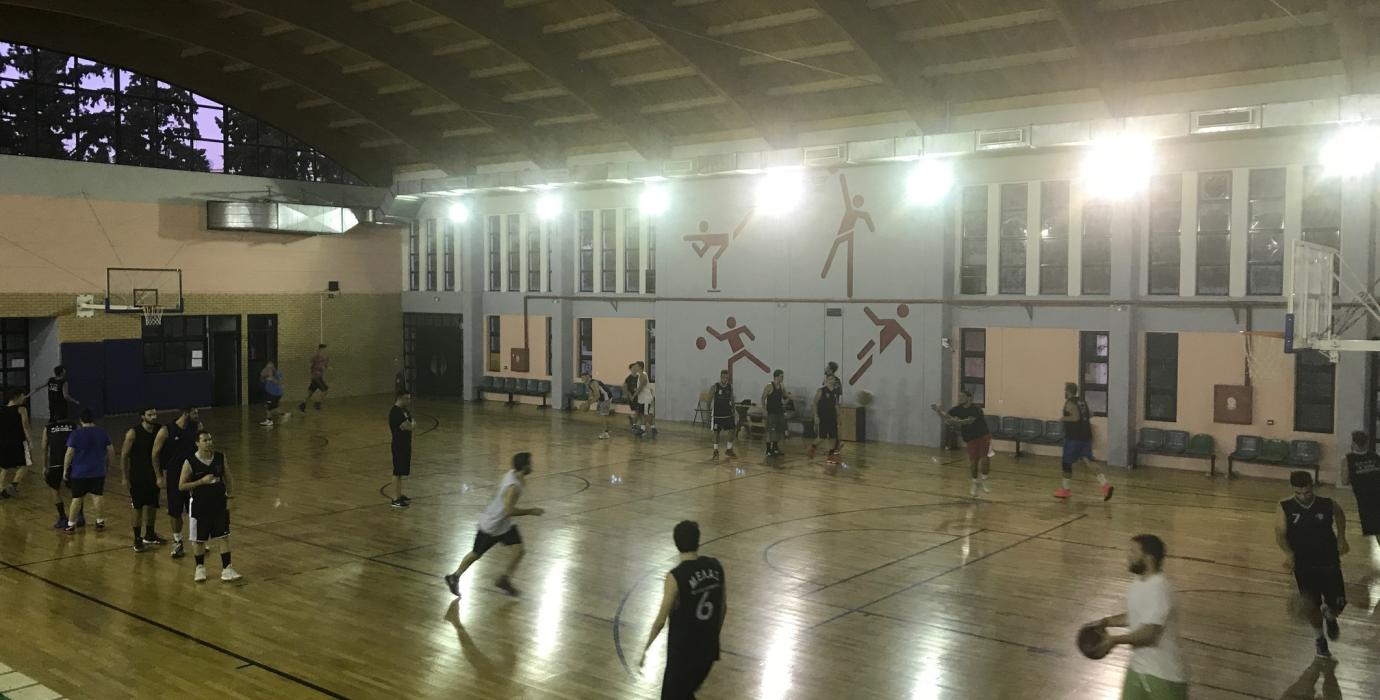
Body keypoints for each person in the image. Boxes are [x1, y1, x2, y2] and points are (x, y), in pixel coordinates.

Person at [1082, 534, 1187, 700]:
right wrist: (1105, 622)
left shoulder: (1159, 589)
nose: (1128, 556)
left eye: (1133, 551)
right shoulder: (1138, 583)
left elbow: (1149, 634)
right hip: (1138, 668)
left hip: (1163, 675)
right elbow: (1135, 616)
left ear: (1149, 558)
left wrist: (1114, 640)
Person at [639, 520, 727, 700]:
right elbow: (723, 608)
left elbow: (660, 621)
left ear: (676, 543)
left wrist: (646, 649)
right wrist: (712, 636)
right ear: (698, 541)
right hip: (708, 652)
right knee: (685, 694)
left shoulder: (676, 577)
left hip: (683, 655)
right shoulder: (716, 566)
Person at [443, 452, 545, 598]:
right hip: (492, 525)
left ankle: (504, 580)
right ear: (524, 466)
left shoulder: (512, 474)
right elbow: (509, 510)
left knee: (519, 551)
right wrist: (531, 511)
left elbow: (498, 494)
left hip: (503, 524)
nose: (532, 465)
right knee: (476, 554)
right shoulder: (513, 486)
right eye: (530, 463)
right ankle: (454, 577)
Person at [1276, 471, 1350, 659]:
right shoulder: (1285, 507)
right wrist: (1289, 554)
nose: (1303, 497)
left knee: (1338, 604)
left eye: (1307, 492)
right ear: (1293, 490)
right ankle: (1319, 639)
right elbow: (1280, 534)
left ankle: (1330, 615)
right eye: (1298, 493)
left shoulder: (1326, 504)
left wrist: (1342, 538)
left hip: (1329, 560)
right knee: (1310, 605)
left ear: (1312, 487)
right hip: (1304, 564)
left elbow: (1340, 515)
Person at [179, 430, 241, 583]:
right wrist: (201, 482)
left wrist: (231, 495)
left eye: (210, 440)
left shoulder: (219, 457)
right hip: (200, 504)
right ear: (197, 443)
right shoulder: (190, 462)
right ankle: (200, 568)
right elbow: (182, 486)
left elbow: (228, 476)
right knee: (199, 539)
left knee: (223, 535)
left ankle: (227, 568)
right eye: (205, 440)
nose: (208, 443)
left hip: (219, 502)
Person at [153, 406, 201, 558]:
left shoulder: (197, 428)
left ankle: (199, 539)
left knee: (197, 509)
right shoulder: (167, 430)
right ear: (185, 413)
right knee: (175, 511)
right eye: (194, 412)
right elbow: (155, 454)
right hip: (175, 476)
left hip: (194, 475)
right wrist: (159, 476)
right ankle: (178, 541)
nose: (197, 415)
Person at [1055, 382, 1113, 501]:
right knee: (1088, 461)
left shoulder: (1069, 403)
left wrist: (1063, 418)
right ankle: (1105, 485)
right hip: (1086, 437)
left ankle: (1065, 490)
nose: (1064, 392)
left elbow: (1075, 417)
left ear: (1068, 391)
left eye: (1065, 390)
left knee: (1066, 463)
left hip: (1074, 438)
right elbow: (1090, 414)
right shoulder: (1082, 402)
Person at [62, 410, 114, 534]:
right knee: (97, 496)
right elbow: (111, 451)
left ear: (81, 420)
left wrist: (65, 469)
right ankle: (100, 521)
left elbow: (69, 453)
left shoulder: (76, 434)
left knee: (77, 498)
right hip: (97, 471)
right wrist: (109, 466)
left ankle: (71, 525)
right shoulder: (102, 432)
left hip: (79, 472)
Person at [931, 389, 991, 497]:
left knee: (985, 459)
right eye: (960, 396)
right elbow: (948, 416)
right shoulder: (958, 409)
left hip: (983, 436)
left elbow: (968, 421)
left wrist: (955, 422)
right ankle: (975, 482)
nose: (960, 398)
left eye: (962, 396)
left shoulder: (976, 409)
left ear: (969, 398)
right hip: (970, 438)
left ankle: (984, 480)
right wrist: (938, 411)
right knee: (973, 462)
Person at [121, 408, 165, 552]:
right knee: (138, 507)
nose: (153, 417)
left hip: (153, 474)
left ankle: (150, 534)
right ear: (142, 416)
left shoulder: (159, 430)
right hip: (138, 476)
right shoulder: (133, 433)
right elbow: (124, 456)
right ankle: (137, 538)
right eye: (150, 415)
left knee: (152, 505)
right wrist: (125, 477)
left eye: (155, 414)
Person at [39, 413, 78, 528]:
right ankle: (79, 515)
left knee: (54, 488)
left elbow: (44, 447)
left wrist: (44, 466)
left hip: (55, 463)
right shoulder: (73, 426)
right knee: (77, 489)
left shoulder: (48, 428)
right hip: (72, 463)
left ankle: (62, 517)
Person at [1343, 430, 1380, 547]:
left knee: (1376, 529)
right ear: (1367, 442)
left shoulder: (1347, 459)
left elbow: (1344, 481)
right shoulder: (1375, 456)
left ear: (1353, 443)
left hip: (1366, 501)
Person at [0, 389, 31, 500]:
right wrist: (30, 440)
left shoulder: (1, 410)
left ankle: (1, 490)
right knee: (25, 465)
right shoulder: (21, 409)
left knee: (4, 467)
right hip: (18, 442)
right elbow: (25, 426)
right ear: (16, 397)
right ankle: (12, 486)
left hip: (3, 442)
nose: (24, 398)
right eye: (22, 396)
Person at [809, 363, 842, 463]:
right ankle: (813, 447)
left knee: (833, 437)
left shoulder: (835, 393)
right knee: (822, 437)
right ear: (827, 380)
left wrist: (839, 416)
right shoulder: (821, 391)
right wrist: (815, 416)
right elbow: (814, 403)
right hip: (823, 416)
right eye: (830, 379)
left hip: (832, 417)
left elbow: (836, 405)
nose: (832, 380)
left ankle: (831, 456)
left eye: (833, 379)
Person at [389, 392, 414, 508]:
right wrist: (410, 425)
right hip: (398, 445)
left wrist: (410, 425)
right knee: (397, 472)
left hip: (405, 444)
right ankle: (395, 498)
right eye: (407, 399)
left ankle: (399, 494)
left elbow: (412, 424)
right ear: (400, 398)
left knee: (401, 472)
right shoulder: (395, 412)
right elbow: (409, 426)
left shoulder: (404, 411)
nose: (409, 401)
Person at [709, 370, 737, 460]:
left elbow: (732, 399)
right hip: (717, 414)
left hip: (727, 413)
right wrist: (708, 411)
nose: (725, 379)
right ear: (721, 377)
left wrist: (733, 408)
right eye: (724, 377)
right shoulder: (715, 386)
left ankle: (729, 449)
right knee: (716, 432)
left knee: (732, 429)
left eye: (727, 377)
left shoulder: (729, 387)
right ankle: (715, 450)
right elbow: (709, 399)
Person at [762, 370, 788, 458]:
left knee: (778, 431)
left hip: (779, 412)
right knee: (770, 431)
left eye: (783, 376)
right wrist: (764, 409)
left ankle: (775, 448)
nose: (783, 378)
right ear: (776, 377)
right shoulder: (769, 386)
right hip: (771, 413)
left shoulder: (782, 386)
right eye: (781, 376)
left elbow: (785, 397)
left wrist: (792, 398)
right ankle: (768, 450)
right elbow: (763, 398)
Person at [579, 372, 613, 439]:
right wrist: (588, 402)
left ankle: (606, 433)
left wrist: (588, 404)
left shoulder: (594, 383)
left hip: (606, 398)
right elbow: (591, 394)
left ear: (588, 376)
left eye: (583, 377)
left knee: (603, 415)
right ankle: (607, 429)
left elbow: (597, 395)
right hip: (602, 398)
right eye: (581, 377)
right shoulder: (588, 383)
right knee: (601, 414)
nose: (582, 379)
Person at [299, 344, 330, 412]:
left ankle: (302, 404)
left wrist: (328, 367)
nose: (325, 351)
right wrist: (313, 368)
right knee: (325, 390)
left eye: (325, 350)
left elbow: (325, 366)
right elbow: (310, 365)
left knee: (310, 392)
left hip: (319, 376)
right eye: (323, 350)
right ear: (320, 349)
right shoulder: (315, 356)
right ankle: (317, 403)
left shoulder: (326, 357)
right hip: (315, 377)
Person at [259, 361, 288, 427]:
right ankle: (283, 415)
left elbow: (279, 382)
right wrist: (262, 376)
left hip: (275, 394)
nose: (268, 369)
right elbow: (262, 380)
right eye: (267, 367)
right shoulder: (268, 374)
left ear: (273, 367)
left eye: (270, 367)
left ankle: (271, 420)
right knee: (273, 407)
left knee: (269, 407)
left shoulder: (277, 374)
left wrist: (272, 379)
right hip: (271, 393)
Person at [635, 361, 657, 438]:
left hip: (646, 399)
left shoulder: (643, 375)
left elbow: (641, 387)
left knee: (645, 414)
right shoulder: (641, 375)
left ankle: (642, 429)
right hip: (644, 398)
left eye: (636, 366)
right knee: (646, 414)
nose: (635, 367)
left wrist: (634, 394)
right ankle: (653, 429)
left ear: (640, 367)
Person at [624, 363, 643, 436]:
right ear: (631, 369)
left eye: (636, 367)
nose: (635, 368)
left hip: (639, 396)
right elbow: (627, 389)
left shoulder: (639, 377)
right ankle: (634, 426)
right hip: (633, 397)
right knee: (638, 411)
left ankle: (634, 421)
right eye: (634, 367)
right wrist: (630, 396)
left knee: (639, 412)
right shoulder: (628, 378)